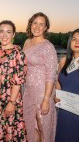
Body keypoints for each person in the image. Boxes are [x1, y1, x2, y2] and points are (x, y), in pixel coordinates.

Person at [0, 20, 27, 141]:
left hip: (10, 99)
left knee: (9, 130)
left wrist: (12, 103)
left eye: (8, 32)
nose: (4, 35)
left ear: (13, 35)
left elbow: (18, 81)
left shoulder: (19, 53)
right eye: (1, 31)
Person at [23, 12, 58, 142]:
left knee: (43, 126)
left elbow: (51, 75)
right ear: (30, 25)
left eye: (41, 24)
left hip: (43, 92)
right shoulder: (27, 42)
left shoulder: (48, 47)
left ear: (45, 28)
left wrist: (46, 100)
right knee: (30, 126)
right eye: (35, 23)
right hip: (28, 91)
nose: (37, 27)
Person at [54, 29, 79, 142]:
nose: (76, 42)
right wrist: (56, 96)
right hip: (64, 113)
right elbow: (58, 84)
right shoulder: (63, 61)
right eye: (74, 39)